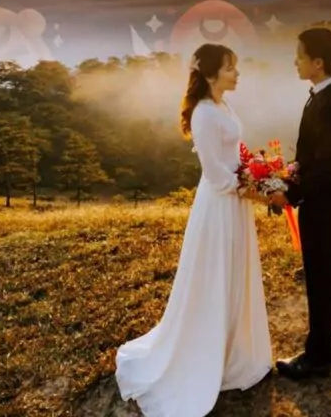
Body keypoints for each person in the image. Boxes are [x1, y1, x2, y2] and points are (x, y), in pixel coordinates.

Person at [115, 44, 272, 416]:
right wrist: (260, 192)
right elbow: (217, 174)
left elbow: (233, 155)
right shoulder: (203, 113)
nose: (237, 73)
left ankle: (234, 349)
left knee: (234, 273)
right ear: (212, 73)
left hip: (235, 201)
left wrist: (259, 171)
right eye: (231, 68)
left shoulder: (223, 105)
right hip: (220, 205)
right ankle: (207, 352)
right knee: (215, 275)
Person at [270, 27, 331, 379]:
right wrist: (291, 171)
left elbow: (325, 163)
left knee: (322, 279)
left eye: (300, 55)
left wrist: (290, 194)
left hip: (322, 202)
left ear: (318, 62)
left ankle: (317, 355)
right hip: (323, 198)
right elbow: (311, 156)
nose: (295, 61)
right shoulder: (322, 95)